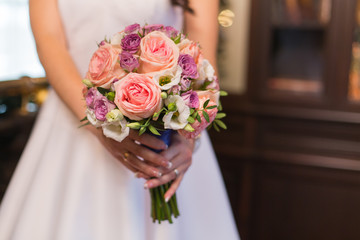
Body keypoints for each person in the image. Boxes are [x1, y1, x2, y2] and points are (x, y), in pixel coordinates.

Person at [0, 0, 240, 239]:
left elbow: (203, 60)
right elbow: (49, 41)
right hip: (70, 126)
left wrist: (189, 138)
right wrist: (98, 121)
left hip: (164, 135)